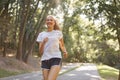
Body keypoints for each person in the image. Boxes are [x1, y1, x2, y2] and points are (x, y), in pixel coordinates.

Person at [36, 15, 68, 80]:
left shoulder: (58, 33)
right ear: (46, 22)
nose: (49, 21)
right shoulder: (41, 34)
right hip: (45, 60)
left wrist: (64, 51)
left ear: (54, 23)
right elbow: (40, 52)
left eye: (51, 20)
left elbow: (62, 45)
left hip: (56, 58)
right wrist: (44, 43)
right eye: (48, 20)